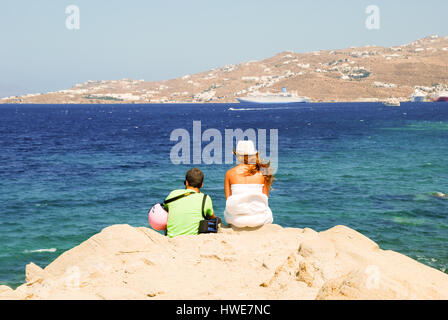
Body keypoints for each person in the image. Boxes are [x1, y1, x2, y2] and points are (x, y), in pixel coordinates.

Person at [224, 140, 274, 228]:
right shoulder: (263, 172)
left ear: (238, 156)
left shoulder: (230, 173)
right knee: (268, 211)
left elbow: (228, 200)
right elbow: (265, 198)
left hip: (236, 221)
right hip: (259, 219)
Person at [164, 168, 218, 237]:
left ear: (186, 182)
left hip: (171, 237)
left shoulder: (173, 194)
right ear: (202, 185)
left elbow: (165, 209)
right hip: (192, 238)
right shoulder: (205, 198)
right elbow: (212, 217)